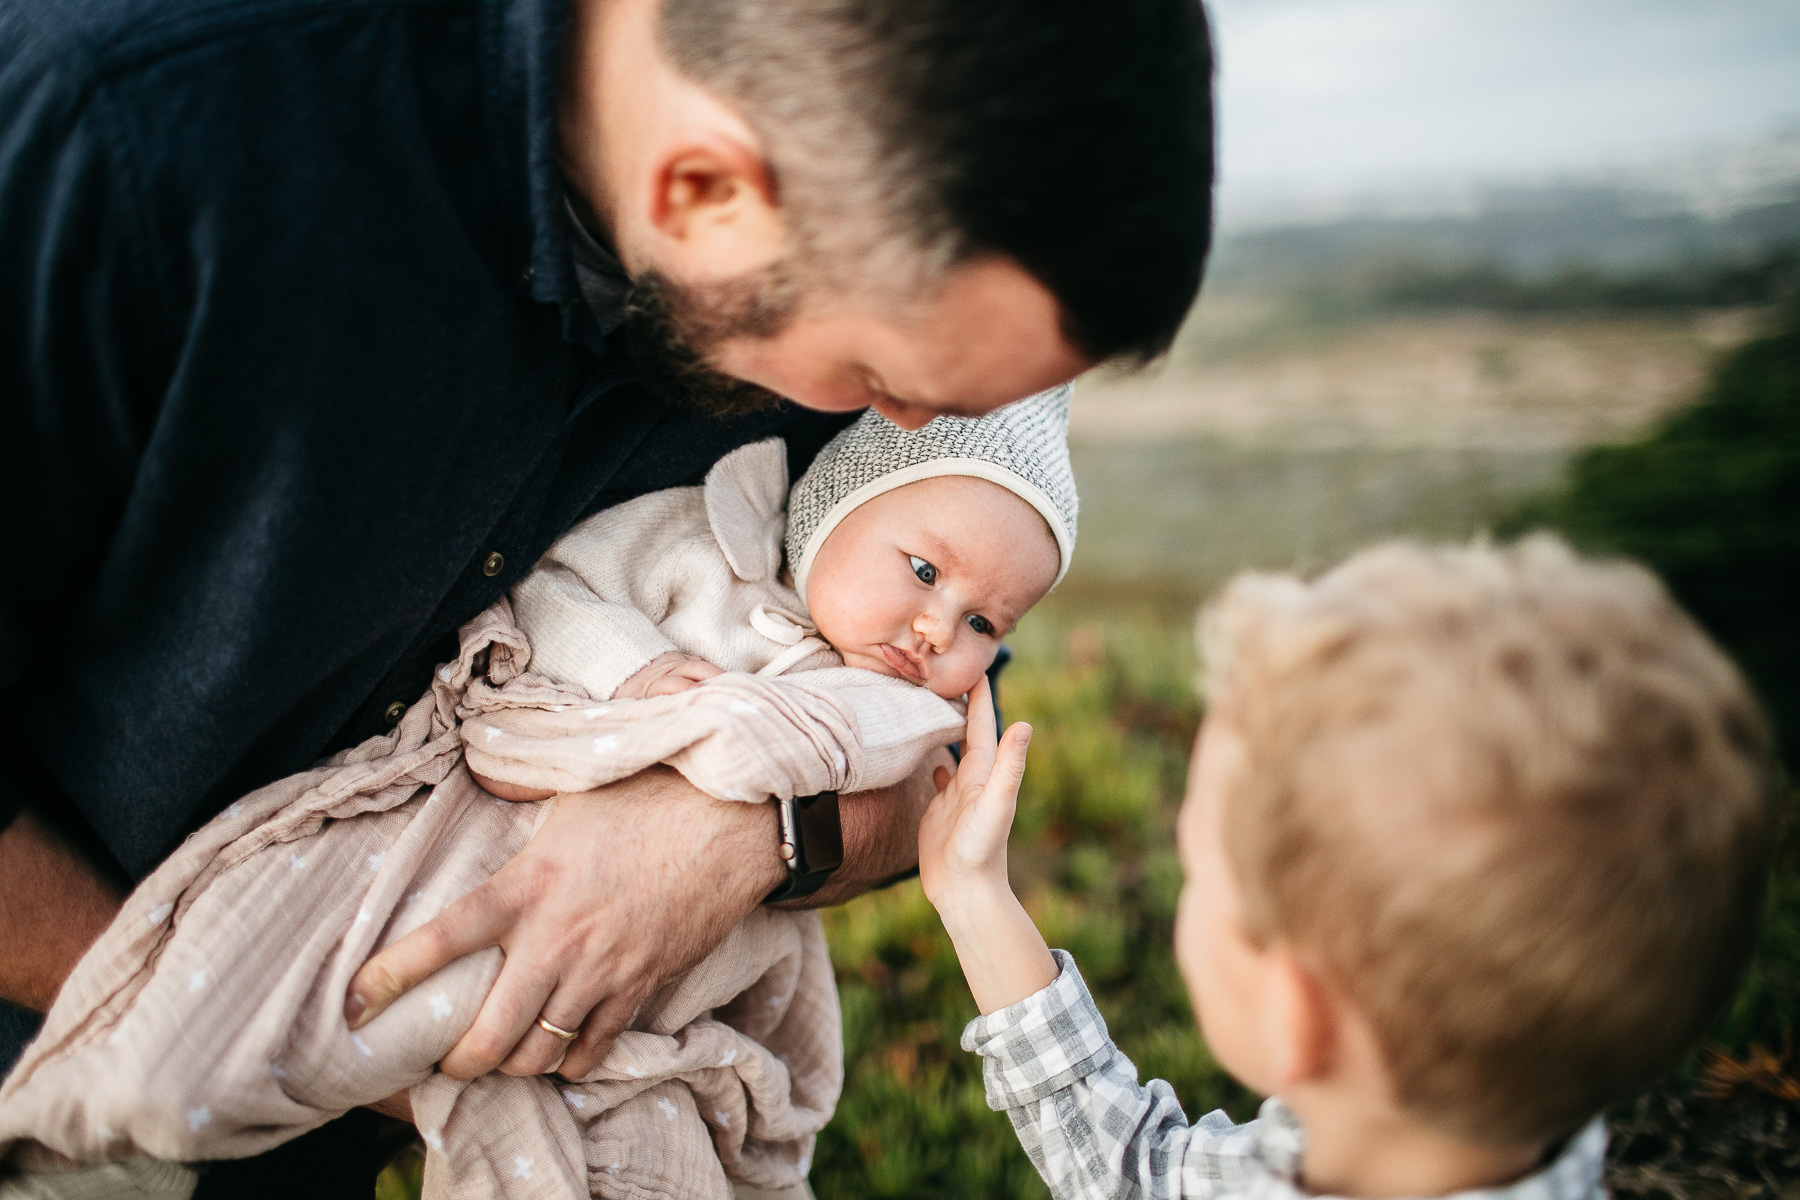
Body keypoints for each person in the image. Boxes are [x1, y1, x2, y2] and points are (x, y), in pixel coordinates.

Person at [1, 0, 1214, 1187]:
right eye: (878, 376)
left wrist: (737, 832)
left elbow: (939, 741)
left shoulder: (860, 250)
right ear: (703, 191)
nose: (895, 430)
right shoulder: (125, 128)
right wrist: (277, 1025)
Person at [0, 391, 1078, 1199]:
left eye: (988, 624)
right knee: (363, 983)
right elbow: (560, 595)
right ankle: (155, 1079)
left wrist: (766, 819)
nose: (942, 632)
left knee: (677, 1116)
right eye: (927, 576)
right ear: (833, 509)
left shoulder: (895, 688)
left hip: (693, 967)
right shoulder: (704, 553)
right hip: (494, 811)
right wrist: (645, 686)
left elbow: (932, 784)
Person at [918, 537, 1777, 1200]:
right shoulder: (1472, 1118)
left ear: (1297, 1017)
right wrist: (972, 894)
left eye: (1200, 879)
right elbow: (1136, 1172)